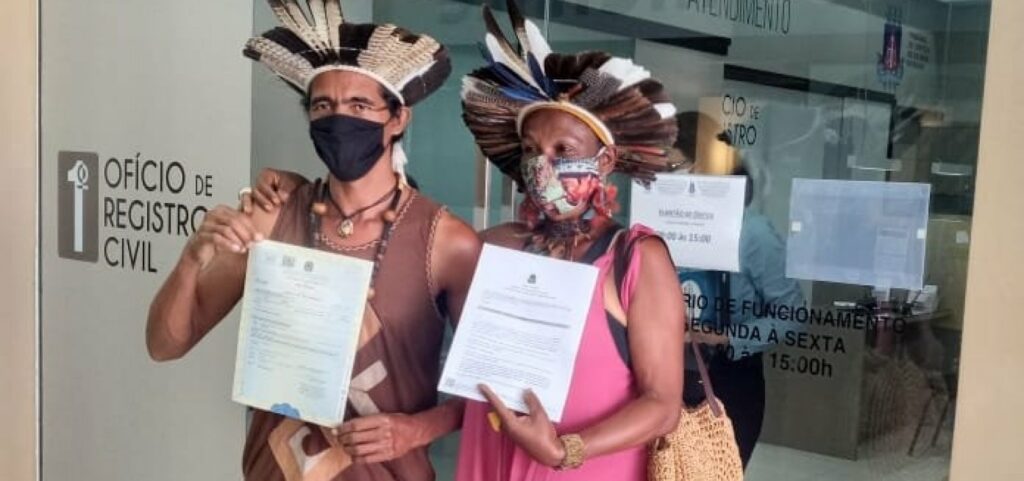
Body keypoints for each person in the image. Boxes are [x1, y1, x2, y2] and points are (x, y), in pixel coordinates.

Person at [145, 2, 481, 480]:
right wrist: (190, 261)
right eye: (324, 106)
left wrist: (416, 430)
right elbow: (165, 345)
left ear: (398, 119)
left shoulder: (446, 241)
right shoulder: (272, 214)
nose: (339, 119)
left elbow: (488, 391)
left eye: (359, 106)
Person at [453, 3, 685, 479]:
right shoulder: (496, 248)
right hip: (491, 461)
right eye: (532, 150)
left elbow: (663, 405)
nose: (543, 164)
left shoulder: (636, 260)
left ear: (604, 161)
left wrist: (564, 450)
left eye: (564, 150)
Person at [674, 111, 806, 467]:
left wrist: (727, 338)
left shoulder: (753, 234)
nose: (665, 177)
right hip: (662, 375)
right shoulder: (652, 230)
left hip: (727, 381)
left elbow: (792, 313)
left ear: (703, 167)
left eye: (675, 166)